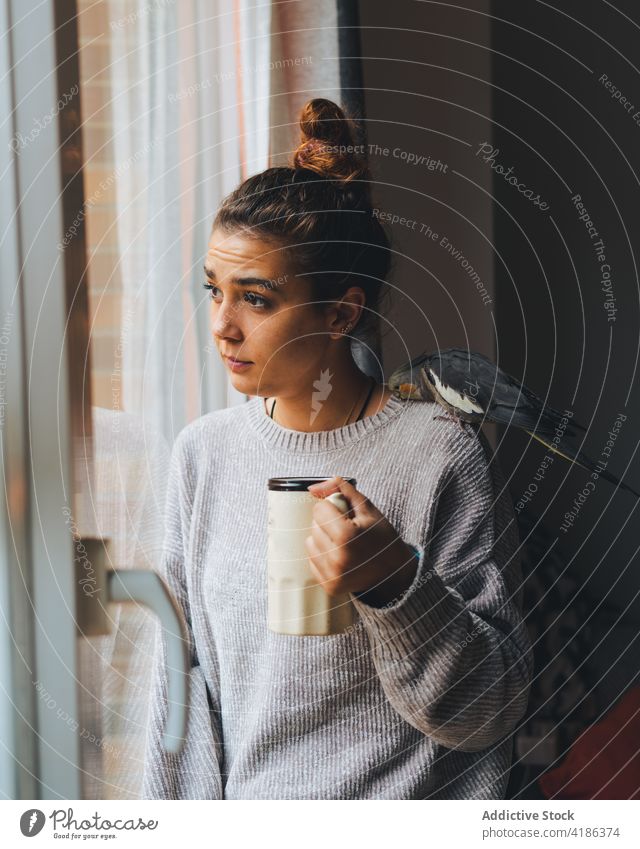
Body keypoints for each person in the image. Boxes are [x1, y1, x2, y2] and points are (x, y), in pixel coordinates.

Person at [141, 98, 533, 800]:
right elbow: (179, 687)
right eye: (213, 291)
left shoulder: (439, 457)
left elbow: (491, 711)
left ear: (342, 312)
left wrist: (396, 584)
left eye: (255, 299)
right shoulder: (202, 457)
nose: (222, 327)